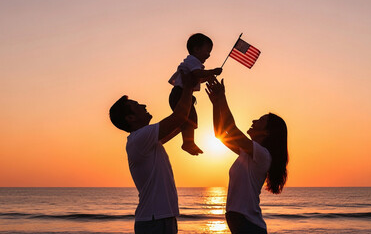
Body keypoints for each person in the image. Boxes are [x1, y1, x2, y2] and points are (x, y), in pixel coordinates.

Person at [109, 71, 197, 234]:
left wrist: (187, 97)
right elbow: (179, 117)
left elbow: (181, 122)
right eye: (137, 106)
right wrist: (188, 88)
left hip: (160, 219)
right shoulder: (139, 138)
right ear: (130, 118)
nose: (144, 106)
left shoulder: (146, 140)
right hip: (154, 221)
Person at [205, 78, 289, 234]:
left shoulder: (263, 156)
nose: (253, 121)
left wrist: (222, 97)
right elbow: (220, 134)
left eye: (260, 121)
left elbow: (232, 129)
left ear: (266, 132)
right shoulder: (247, 153)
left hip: (249, 226)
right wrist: (216, 104)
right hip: (241, 224)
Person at [168, 33, 222, 155]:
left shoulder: (194, 63)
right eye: (207, 51)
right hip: (180, 94)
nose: (209, 55)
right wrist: (212, 71)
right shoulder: (193, 61)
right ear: (196, 49)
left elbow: (197, 78)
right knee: (189, 118)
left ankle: (188, 142)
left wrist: (207, 77)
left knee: (189, 118)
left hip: (182, 94)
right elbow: (197, 74)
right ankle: (188, 142)